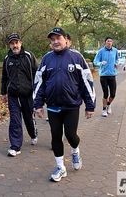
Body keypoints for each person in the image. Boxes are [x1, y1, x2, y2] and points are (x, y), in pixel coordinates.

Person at [33, 27, 96, 182]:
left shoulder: (77, 57)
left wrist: (90, 105)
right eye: (52, 40)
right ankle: (60, 167)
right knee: (55, 136)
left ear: (66, 40)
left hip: (71, 106)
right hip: (53, 105)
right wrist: (38, 104)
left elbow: (87, 82)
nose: (55, 42)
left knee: (70, 135)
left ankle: (75, 151)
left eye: (58, 38)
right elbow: (39, 83)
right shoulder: (47, 59)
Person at [1, 34, 38, 157]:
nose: (14, 45)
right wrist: (3, 93)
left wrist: (36, 92)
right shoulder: (7, 59)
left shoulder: (28, 56)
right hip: (13, 95)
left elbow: (36, 73)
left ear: (20, 43)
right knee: (15, 120)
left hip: (27, 94)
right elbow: (4, 77)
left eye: (16, 43)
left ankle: (33, 134)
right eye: (12, 43)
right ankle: (15, 146)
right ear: (9, 45)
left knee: (28, 118)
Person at [93, 36, 120, 117]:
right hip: (103, 76)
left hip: (112, 75)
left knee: (113, 94)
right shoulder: (101, 51)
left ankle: (108, 104)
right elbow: (95, 61)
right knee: (105, 94)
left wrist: (117, 63)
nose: (109, 42)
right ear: (105, 42)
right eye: (108, 41)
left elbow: (117, 59)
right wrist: (101, 63)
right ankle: (104, 109)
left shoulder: (115, 51)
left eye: (111, 41)